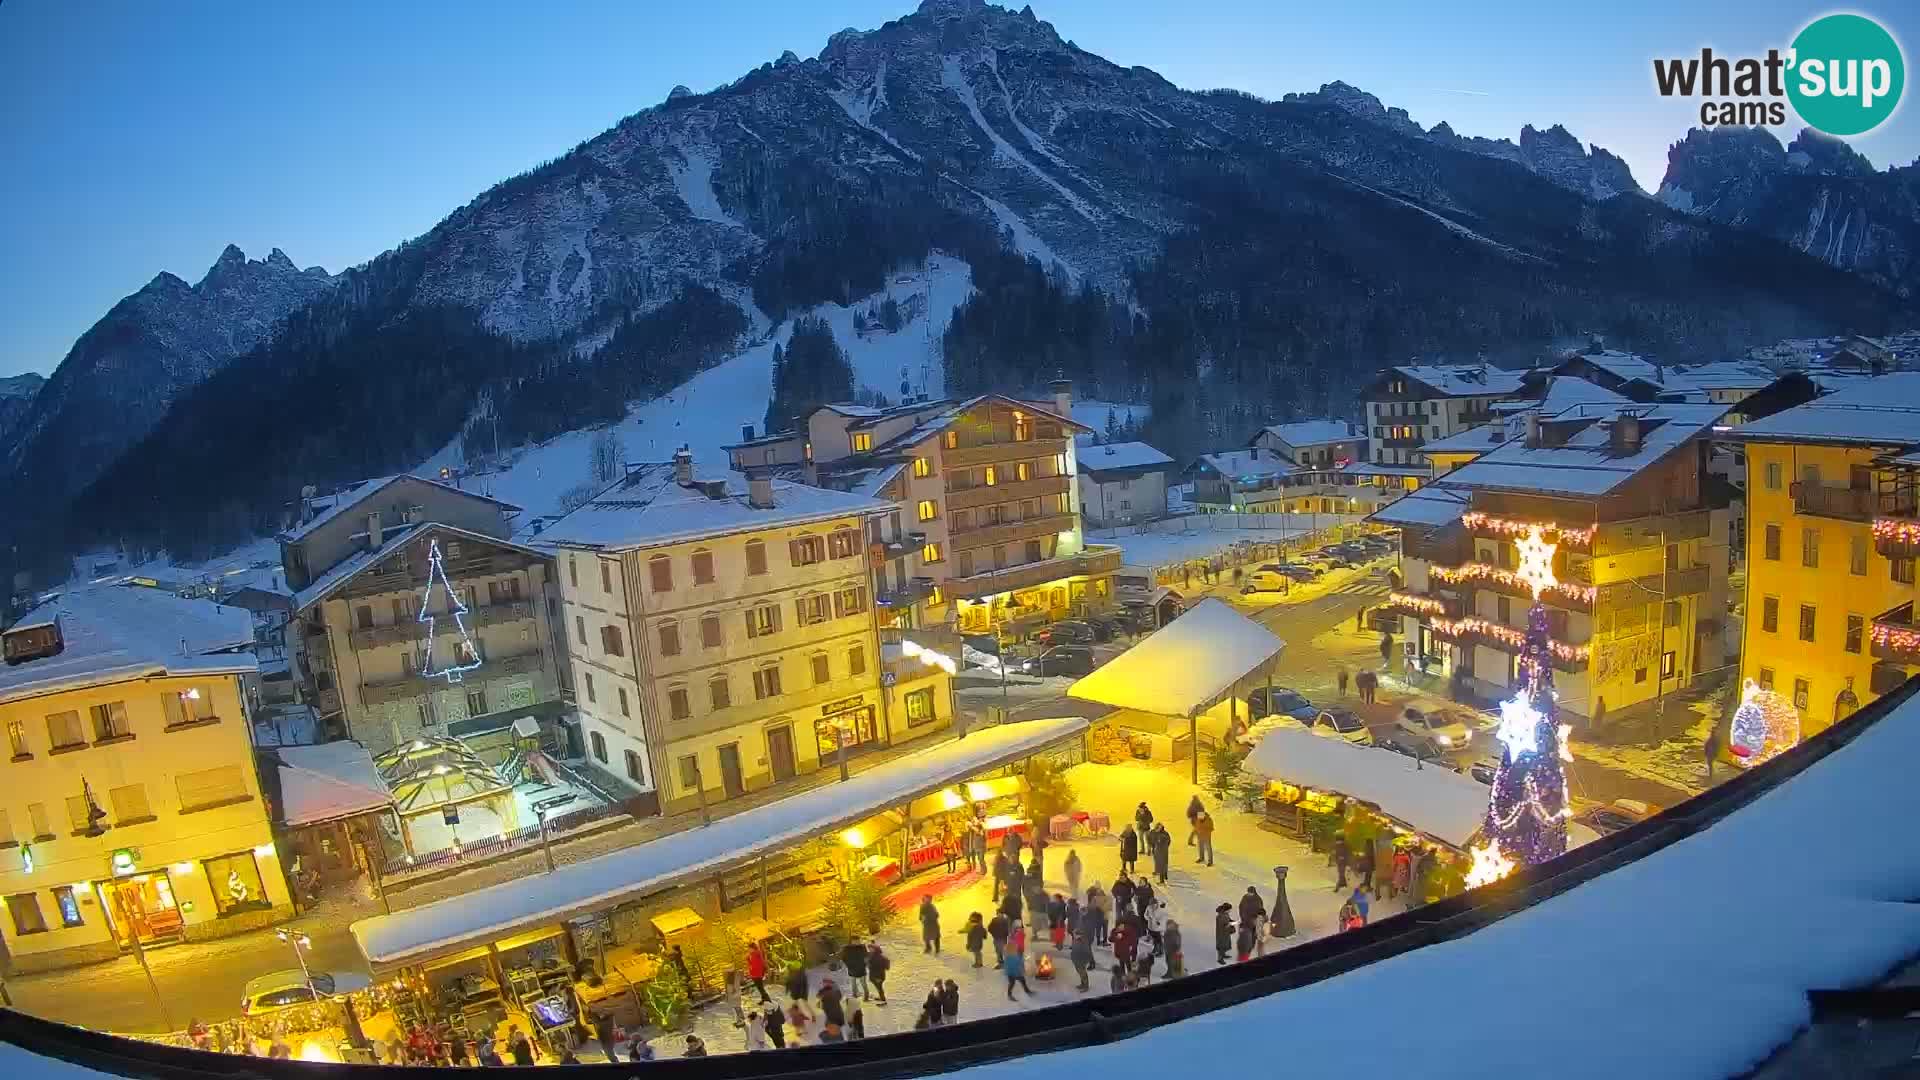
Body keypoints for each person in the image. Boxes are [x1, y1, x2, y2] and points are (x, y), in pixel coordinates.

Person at [842, 935, 871, 1000]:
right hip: (852, 968)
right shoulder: (846, 948)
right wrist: (848, 965)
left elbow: (866, 956)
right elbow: (844, 958)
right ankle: (854, 996)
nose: (858, 942)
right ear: (852, 941)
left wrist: (865, 964)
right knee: (853, 983)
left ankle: (866, 996)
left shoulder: (862, 947)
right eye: (856, 941)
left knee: (863, 983)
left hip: (861, 968)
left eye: (859, 940)